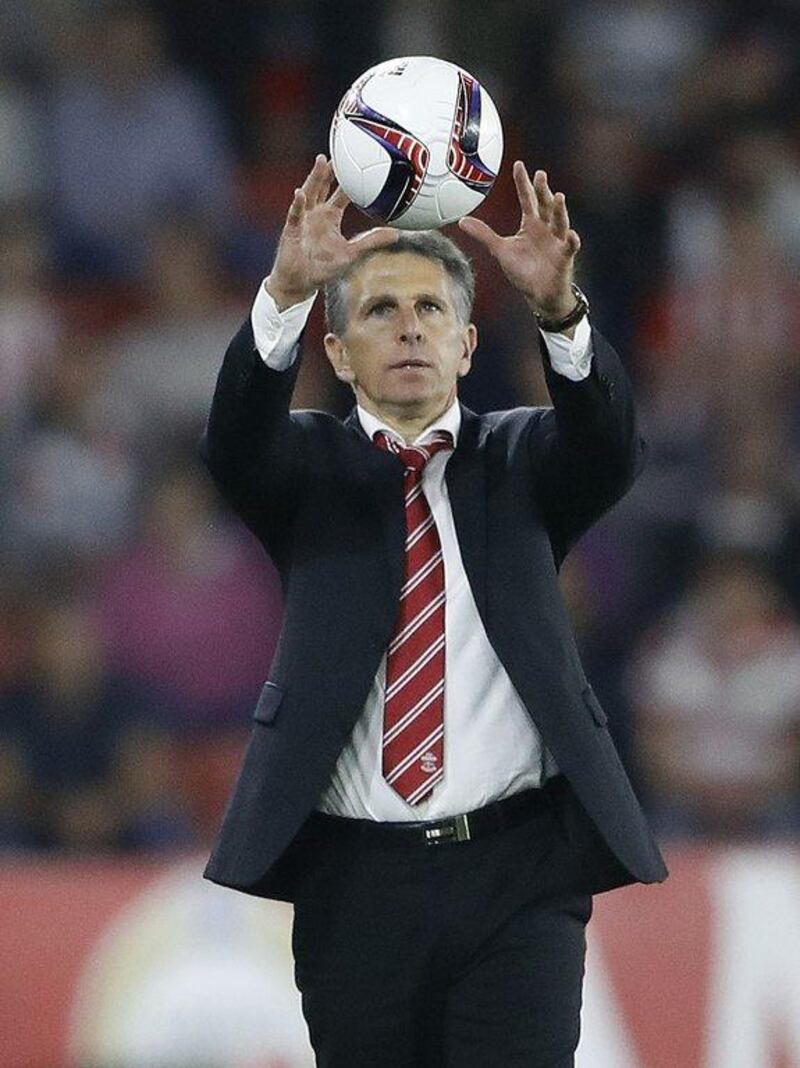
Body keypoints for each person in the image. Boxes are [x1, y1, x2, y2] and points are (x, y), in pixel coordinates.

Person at [200, 153, 667, 1067]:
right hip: (353, 877)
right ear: (336, 352)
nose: (409, 328)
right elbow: (233, 442)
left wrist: (558, 313)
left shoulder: (526, 458)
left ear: (464, 343)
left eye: (432, 310)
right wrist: (286, 292)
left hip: (518, 870)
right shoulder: (302, 469)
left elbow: (610, 449)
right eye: (379, 309)